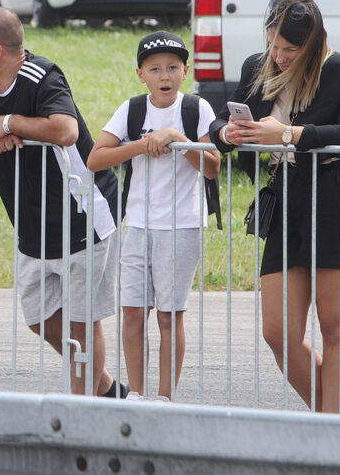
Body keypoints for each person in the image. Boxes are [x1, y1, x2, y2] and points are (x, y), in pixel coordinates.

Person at [0, 7, 126, 398]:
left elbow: (66, 130)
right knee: (40, 320)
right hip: (31, 221)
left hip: (84, 213)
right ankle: (105, 390)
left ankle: (83, 412)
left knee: (81, 324)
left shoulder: (42, 75)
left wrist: (8, 122)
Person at [209, 0, 340, 413]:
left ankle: (328, 429)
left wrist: (286, 135)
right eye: (273, 45)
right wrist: (228, 134)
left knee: (335, 325)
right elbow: (219, 122)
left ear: (316, 42)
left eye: (290, 49)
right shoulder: (257, 66)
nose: (279, 57)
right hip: (287, 197)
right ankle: (330, 423)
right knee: (277, 331)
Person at [86, 31, 220, 402]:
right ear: (140, 74)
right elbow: (96, 158)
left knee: (168, 315)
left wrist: (178, 139)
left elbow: (211, 168)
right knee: (132, 313)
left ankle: (164, 398)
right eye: (155, 69)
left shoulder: (196, 109)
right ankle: (139, 396)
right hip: (138, 224)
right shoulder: (131, 110)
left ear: (185, 71)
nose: (165, 76)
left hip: (181, 226)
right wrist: (139, 146)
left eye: (173, 68)